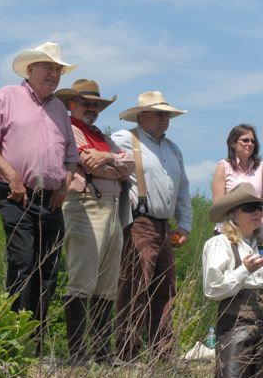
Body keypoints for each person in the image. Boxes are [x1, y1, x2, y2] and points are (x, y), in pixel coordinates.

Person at [0, 42, 79, 351]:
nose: (54, 74)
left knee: (47, 272)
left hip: (51, 200)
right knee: (22, 264)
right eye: (48, 67)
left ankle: (36, 343)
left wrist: (65, 185)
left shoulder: (60, 109)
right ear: (30, 69)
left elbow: (71, 156)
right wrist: (11, 176)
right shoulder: (5, 97)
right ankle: (12, 342)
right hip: (17, 195)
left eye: (58, 69)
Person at [55, 79, 135, 365]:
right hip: (85, 205)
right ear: (72, 104)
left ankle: (103, 352)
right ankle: (77, 353)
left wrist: (109, 161)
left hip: (112, 207)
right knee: (83, 279)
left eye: (96, 105)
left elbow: (130, 165)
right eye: (87, 103)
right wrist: (114, 164)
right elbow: (89, 162)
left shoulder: (101, 134)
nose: (92, 109)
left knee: (107, 283)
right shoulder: (70, 129)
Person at [111, 90, 192, 362]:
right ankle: (127, 351)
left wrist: (185, 225)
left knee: (165, 289)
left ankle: (164, 353)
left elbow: (182, 189)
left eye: (167, 114)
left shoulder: (173, 149)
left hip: (165, 226)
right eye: (159, 114)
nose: (165, 119)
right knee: (135, 286)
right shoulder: (123, 139)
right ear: (142, 115)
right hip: (138, 221)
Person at [203, 183, 263, 378]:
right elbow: (212, 289)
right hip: (235, 328)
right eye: (249, 208)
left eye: (259, 207)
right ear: (233, 214)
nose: (256, 212)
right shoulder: (219, 244)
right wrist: (244, 270)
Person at [211, 124, 263, 232]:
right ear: (233, 143)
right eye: (245, 140)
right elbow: (218, 205)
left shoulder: (261, 168)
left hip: (254, 232)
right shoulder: (223, 167)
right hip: (228, 231)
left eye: (253, 141)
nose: (250, 144)